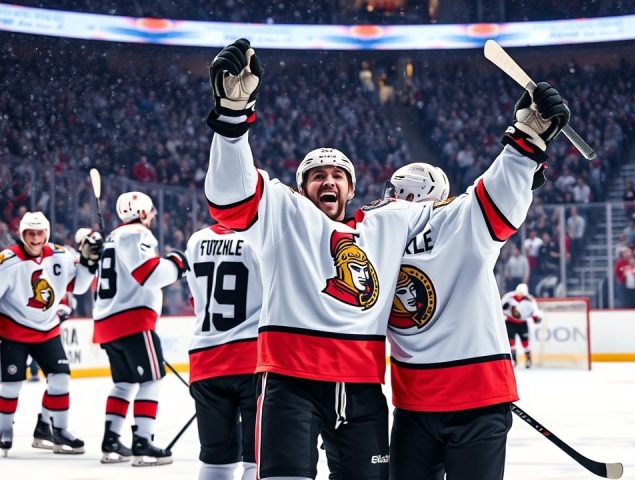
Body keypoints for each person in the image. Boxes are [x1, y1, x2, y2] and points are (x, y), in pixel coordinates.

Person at [204, 39, 569, 480]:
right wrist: (231, 119)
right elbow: (230, 197)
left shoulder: (388, 224)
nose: (328, 181)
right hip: (291, 381)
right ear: (301, 188)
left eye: (337, 175)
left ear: (353, 189)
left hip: (365, 389)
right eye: (317, 176)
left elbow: (474, 211)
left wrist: (523, 152)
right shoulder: (284, 213)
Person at [385, 151, 557, 476]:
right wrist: (522, 166)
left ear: (409, 195)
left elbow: (494, 195)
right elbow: (497, 192)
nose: (388, 198)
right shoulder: (385, 238)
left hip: (467, 404)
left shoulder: (457, 221)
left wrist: (522, 159)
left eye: (395, 191)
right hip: (424, 404)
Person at [92, 191, 188, 465]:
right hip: (133, 321)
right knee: (152, 380)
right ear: (143, 213)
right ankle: (142, 443)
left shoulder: (111, 239)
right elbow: (149, 274)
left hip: (107, 322)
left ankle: (111, 441)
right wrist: (177, 264)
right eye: (151, 212)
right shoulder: (137, 234)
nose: (153, 217)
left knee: (123, 383)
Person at [0, 211, 102, 456]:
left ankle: (57, 430)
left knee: (60, 379)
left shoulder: (61, 256)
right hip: (13, 331)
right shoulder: (7, 262)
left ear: (46, 233)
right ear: (21, 234)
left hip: (47, 330)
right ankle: (4, 430)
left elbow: (79, 287)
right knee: (11, 385)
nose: (35, 238)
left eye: (39, 233)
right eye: (30, 233)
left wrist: (89, 263)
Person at [185, 223, 262, 480]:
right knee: (256, 461)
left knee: (216, 461)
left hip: (204, 359)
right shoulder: (258, 238)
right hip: (251, 359)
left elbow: (196, 300)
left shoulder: (196, 240)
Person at [502, 283, 543, 369]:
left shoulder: (530, 300)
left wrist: (536, 317)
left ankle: (528, 360)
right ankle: (514, 360)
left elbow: (534, 311)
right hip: (510, 322)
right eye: (519, 292)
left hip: (522, 323)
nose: (519, 295)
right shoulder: (509, 297)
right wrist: (504, 307)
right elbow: (501, 307)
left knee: (525, 343)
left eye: (522, 293)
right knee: (511, 342)